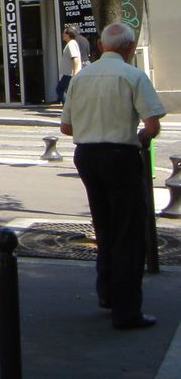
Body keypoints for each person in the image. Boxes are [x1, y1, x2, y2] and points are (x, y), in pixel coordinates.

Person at [60, 22, 165, 330]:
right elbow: (152, 125)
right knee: (128, 233)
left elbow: (66, 128)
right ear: (130, 48)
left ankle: (106, 292)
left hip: (88, 156)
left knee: (104, 226)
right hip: (120, 155)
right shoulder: (133, 75)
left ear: (103, 46)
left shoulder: (81, 79)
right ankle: (127, 309)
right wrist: (140, 134)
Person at [56, 25, 81, 104]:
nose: (63, 35)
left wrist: (75, 71)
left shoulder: (71, 44)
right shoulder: (71, 43)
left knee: (59, 89)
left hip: (70, 74)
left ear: (69, 35)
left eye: (64, 33)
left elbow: (75, 58)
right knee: (70, 91)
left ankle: (68, 108)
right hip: (69, 73)